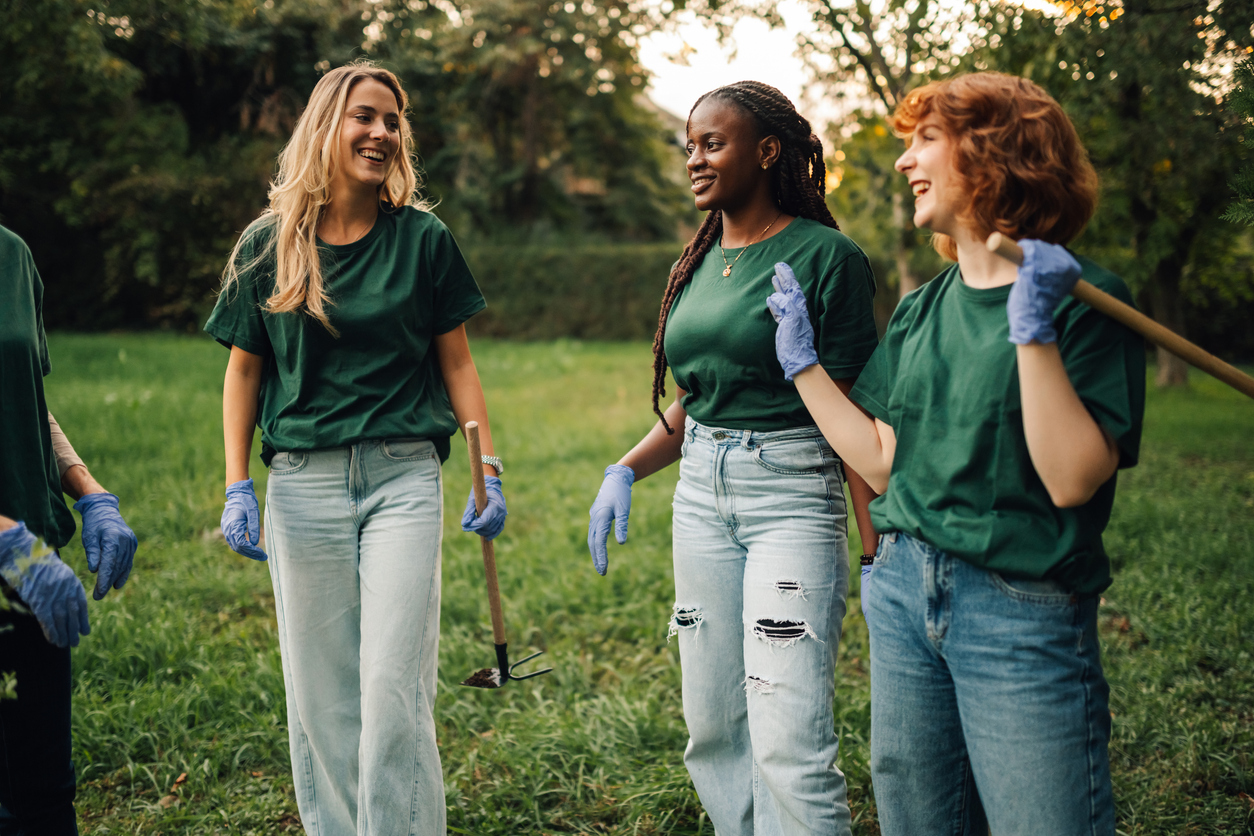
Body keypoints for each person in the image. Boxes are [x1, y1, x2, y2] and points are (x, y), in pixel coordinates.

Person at [766, 72, 1146, 835]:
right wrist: (804, 366)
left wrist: (1032, 332)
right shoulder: (922, 308)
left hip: (1018, 608)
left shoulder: (1087, 303)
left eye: (925, 139)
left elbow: (1072, 478)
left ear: (996, 154)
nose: (906, 161)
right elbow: (881, 462)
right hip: (905, 592)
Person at [204, 62, 505, 836]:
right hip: (302, 486)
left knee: (392, 688)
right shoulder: (269, 243)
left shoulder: (424, 239)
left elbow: (458, 363)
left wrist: (487, 470)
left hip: (404, 476)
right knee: (323, 696)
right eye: (364, 116)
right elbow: (244, 371)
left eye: (392, 120)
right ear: (327, 125)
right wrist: (237, 484)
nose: (381, 132)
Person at [587, 81, 881, 835]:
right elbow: (701, 397)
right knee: (713, 722)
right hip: (700, 495)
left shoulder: (828, 258)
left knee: (788, 735)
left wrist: (876, 544)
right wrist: (625, 467)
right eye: (690, 146)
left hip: (790, 491)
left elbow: (851, 416)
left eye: (712, 143)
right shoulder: (702, 259)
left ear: (768, 150)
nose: (695, 159)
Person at [0, 223, 138, 834]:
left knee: (45, 797)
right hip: (16, 554)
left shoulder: (13, 256)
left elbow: (26, 397)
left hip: (28, 574)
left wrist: (90, 491)